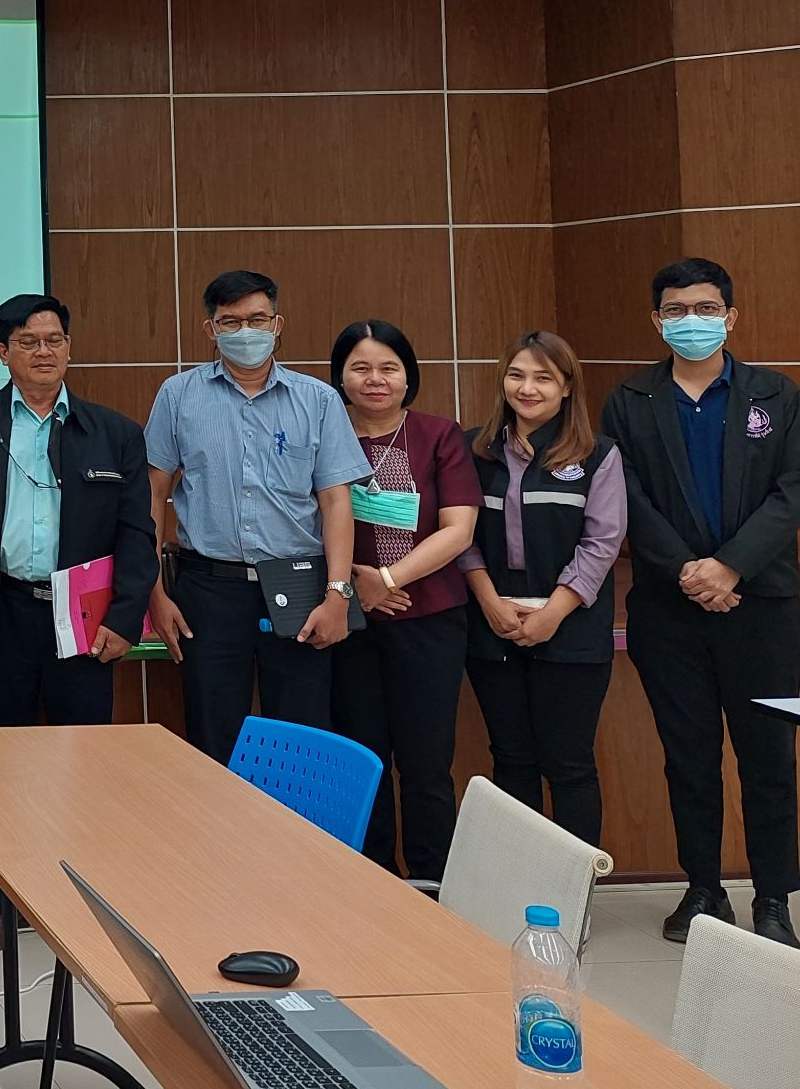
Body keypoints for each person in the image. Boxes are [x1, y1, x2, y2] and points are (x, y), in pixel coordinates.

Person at [599, 259, 800, 948]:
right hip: (669, 608)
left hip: (764, 606)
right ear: (657, 320)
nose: (693, 320)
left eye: (707, 308)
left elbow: (792, 492)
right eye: (677, 309)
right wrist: (688, 570)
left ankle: (773, 898)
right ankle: (704, 890)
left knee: (769, 759)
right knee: (689, 757)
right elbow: (625, 494)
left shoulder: (777, 394)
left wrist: (730, 565)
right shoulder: (630, 399)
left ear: (730, 316)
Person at [0, 293, 152, 951]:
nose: (44, 351)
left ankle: (80, 905)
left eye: (55, 339)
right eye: (29, 341)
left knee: (82, 767)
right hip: (1, 614)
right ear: (3, 352)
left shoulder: (114, 431)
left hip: (84, 622)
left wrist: (126, 616)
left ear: (69, 347)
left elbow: (137, 533)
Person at [145, 271, 369, 767]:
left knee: (301, 742)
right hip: (208, 590)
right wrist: (155, 594)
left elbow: (336, 502)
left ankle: (294, 825)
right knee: (212, 738)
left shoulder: (318, 399)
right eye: (231, 322)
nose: (245, 331)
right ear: (210, 329)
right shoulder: (178, 395)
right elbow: (153, 494)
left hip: (300, 587)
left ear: (277, 324)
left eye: (257, 319)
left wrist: (338, 595)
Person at [324, 320, 482, 879]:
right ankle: (371, 880)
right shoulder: (325, 435)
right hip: (348, 621)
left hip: (429, 620)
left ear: (408, 376)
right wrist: (355, 587)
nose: (375, 379)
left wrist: (386, 580)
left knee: (426, 761)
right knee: (360, 757)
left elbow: (459, 530)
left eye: (388, 367)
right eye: (361, 368)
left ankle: (432, 882)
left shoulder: (440, 435)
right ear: (340, 377)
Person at [463, 331, 626, 850]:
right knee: (511, 759)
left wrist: (553, 613)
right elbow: (461, 537)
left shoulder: (598, 455)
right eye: (516, 375)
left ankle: (574, 890)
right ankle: (521, 885)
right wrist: (489, 602)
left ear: (567, 386)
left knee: (569, 764)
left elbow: (602, 543)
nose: (527, 388)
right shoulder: (474, 450)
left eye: (543, 378)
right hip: (494, 624)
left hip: (571, 629)